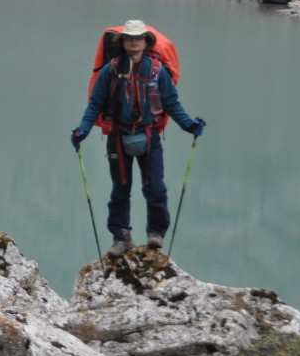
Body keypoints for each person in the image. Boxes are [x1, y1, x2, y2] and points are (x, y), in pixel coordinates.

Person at [71, 20, 205, 257]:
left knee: (155, 188)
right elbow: (96, 103)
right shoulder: (110, 71)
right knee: (120, 189)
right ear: (122, 42)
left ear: (146, 41)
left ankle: (156, 233)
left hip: (149, 133)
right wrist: (83, 130)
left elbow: (171, 103)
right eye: (130, 37)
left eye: (139, 37)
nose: (134, 41)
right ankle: (121, 238)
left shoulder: (157, 70)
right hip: (117, 136)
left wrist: (189, 125)